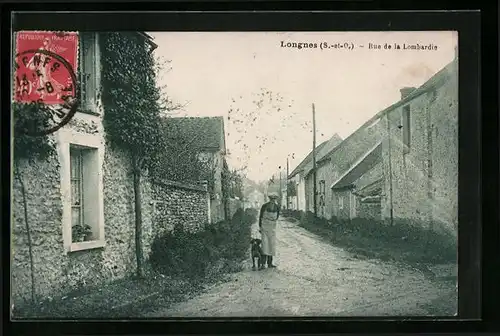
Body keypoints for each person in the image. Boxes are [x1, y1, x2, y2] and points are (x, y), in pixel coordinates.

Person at [259, 193, 280, 268]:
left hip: (272, 228)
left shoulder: (277, 207)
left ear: (275, 200)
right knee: (264, 245)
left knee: (271, 245)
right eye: (271, 199)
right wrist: (260, 227)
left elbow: (277, 217)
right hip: (264, 227)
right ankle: (262, 264)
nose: (273, 201)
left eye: (274, 199)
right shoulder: (264, 206)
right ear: (269, 199)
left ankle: (270, 263)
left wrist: (272, 221)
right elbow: (260, 216)